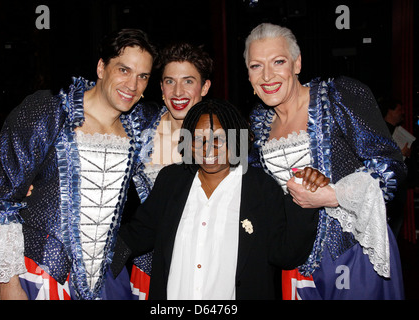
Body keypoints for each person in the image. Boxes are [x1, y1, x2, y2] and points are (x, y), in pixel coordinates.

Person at [0, 29, 159, 300]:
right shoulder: (50, 110)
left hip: (107, 280)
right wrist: (8, 285)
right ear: (101, 67)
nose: (133, 85)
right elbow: (3, 201)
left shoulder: (141, 125)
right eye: (124, 70)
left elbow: (184, 120)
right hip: (43, 271)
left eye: (143, 76)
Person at [245, 22, 406, 299]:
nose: (267, 75)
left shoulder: (338, 96)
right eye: (256, 66)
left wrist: (334, 195)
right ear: (248, 75)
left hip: (353, 251)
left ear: (297, 64)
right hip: (294, 259)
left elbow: (391, 166)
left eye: (278, 61)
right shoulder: (258, 122)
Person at [110, 98, 331, 300]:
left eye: (219, 139)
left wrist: (307, 197)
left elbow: (286, 254)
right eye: (199, 140)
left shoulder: (261, 188)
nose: (208, 149)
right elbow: (137, 234)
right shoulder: (171, 181)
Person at [129, 42, 213, 299]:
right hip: (145, 264)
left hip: (202, 267)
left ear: (205, 87)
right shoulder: (138, 126)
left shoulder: (224, 135)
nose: (178, 91)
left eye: (188, 81)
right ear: (161, 86)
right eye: (169, 81)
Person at [379, 96, 418, 238]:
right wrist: (398, 154)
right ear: (390, 111)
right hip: (386, 186)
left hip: (400, 185)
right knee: (388, 227)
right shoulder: (380, 131)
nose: (402, 113)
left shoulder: (399, 132)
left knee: (396, 225)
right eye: (399, 109)